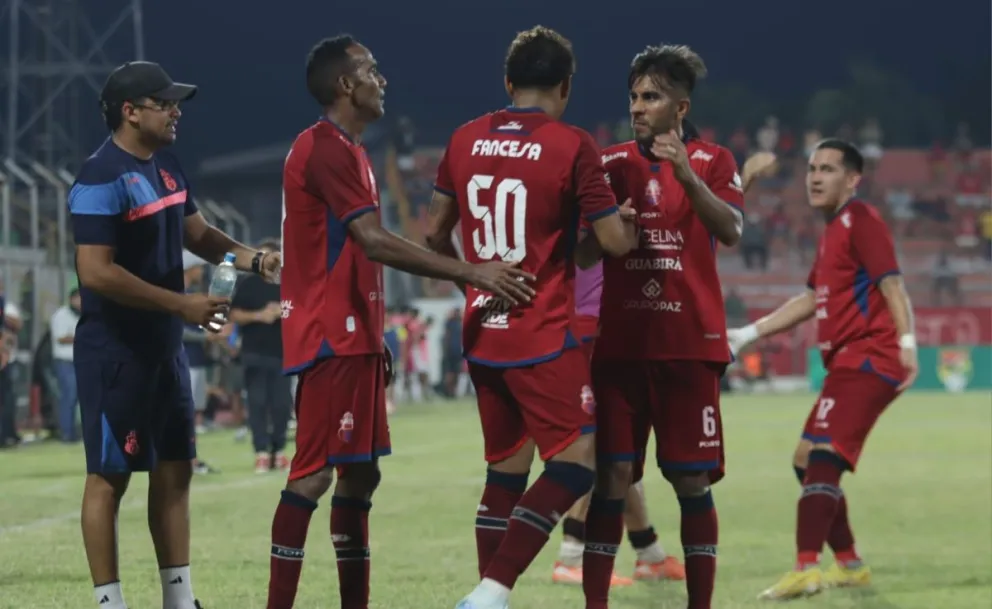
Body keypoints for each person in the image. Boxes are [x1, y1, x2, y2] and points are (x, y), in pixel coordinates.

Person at [267, 35, 534, 609]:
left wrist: (375, 333)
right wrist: (470, 271)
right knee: (312, 477)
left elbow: (355, 251)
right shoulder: (325, 149)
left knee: (360, 477)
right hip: (328, 337)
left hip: (355, 336)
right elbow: (371, 240)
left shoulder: (352, 149)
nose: (381, 79)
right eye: (371, 70)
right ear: (345, 85)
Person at [425, 25, 638, 609]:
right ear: (566, 86)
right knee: (575, 468)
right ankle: (492, 591)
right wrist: (627, 219)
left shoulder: (465, 138)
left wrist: (471, 280)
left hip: (481, 328)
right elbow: (614, 243)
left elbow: (431, 233)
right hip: (542, 332)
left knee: (504, 473)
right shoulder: (572, 145)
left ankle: (485, 593)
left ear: (508, 81)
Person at [70, 60, 280, 609]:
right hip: (116, 354)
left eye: (175, 102)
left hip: (164, 351)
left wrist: (253, 261)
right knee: (109, 478)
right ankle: (109, 603)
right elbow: (95, 272)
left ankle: (178, 600)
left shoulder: (166, 166)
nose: (175, 110)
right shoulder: (99, 176)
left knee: (175, 470)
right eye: (163, 103)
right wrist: (182, 304)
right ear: (129, 111)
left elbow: (201, 236)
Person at [551, 149, 776, 587]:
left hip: (623, 328)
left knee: (618, 461)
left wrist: (741, 183)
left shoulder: (652, 190)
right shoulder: (611, 192)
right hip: (595, 326)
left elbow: (683, 215)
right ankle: (572, 552)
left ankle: (647, 552)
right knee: (600, 453)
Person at [577, 44, 745, 609]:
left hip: (689, 347)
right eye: (634, 97)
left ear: (680, 107)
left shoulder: (714, 161)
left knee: (691, 482)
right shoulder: (608, 162)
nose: (638, 107)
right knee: (612, 479)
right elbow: (579, 257)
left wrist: (685, 177)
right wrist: (603, 231)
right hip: (621, 349)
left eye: (651, 97)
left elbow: (732, 230)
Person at [727, 139, 918, 600]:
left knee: (822, 458)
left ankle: (805, 567)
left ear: (853, 179)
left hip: (870, 357)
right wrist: (748, 334)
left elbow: (892, 284)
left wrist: (908, 341)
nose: (815, 176)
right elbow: (812, 299)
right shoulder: (834, 230)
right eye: (812, 168)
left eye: (828, 169)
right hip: (849, 363)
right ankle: (850, 565)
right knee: (804, 459)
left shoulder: (861, 220)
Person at [229, 238, 292, 473]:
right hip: (254, 353)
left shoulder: (289, 284)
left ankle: (279, 451)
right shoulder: (247, 284)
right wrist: (260, 315)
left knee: (282, 405)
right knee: (256, 403)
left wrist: (285, 314)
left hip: (284, 354)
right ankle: (262, 453)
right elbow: (233, 314)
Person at [50, 288, 82, 442]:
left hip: (78, 362)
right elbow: (61, 338)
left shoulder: (80, 316)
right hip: (64, 362)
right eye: (79, 299)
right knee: (68, 397)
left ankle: (72, 432)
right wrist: (81, 337)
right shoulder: (61, 315)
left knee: (75, 398)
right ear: (72, 299)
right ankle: (66, 433)